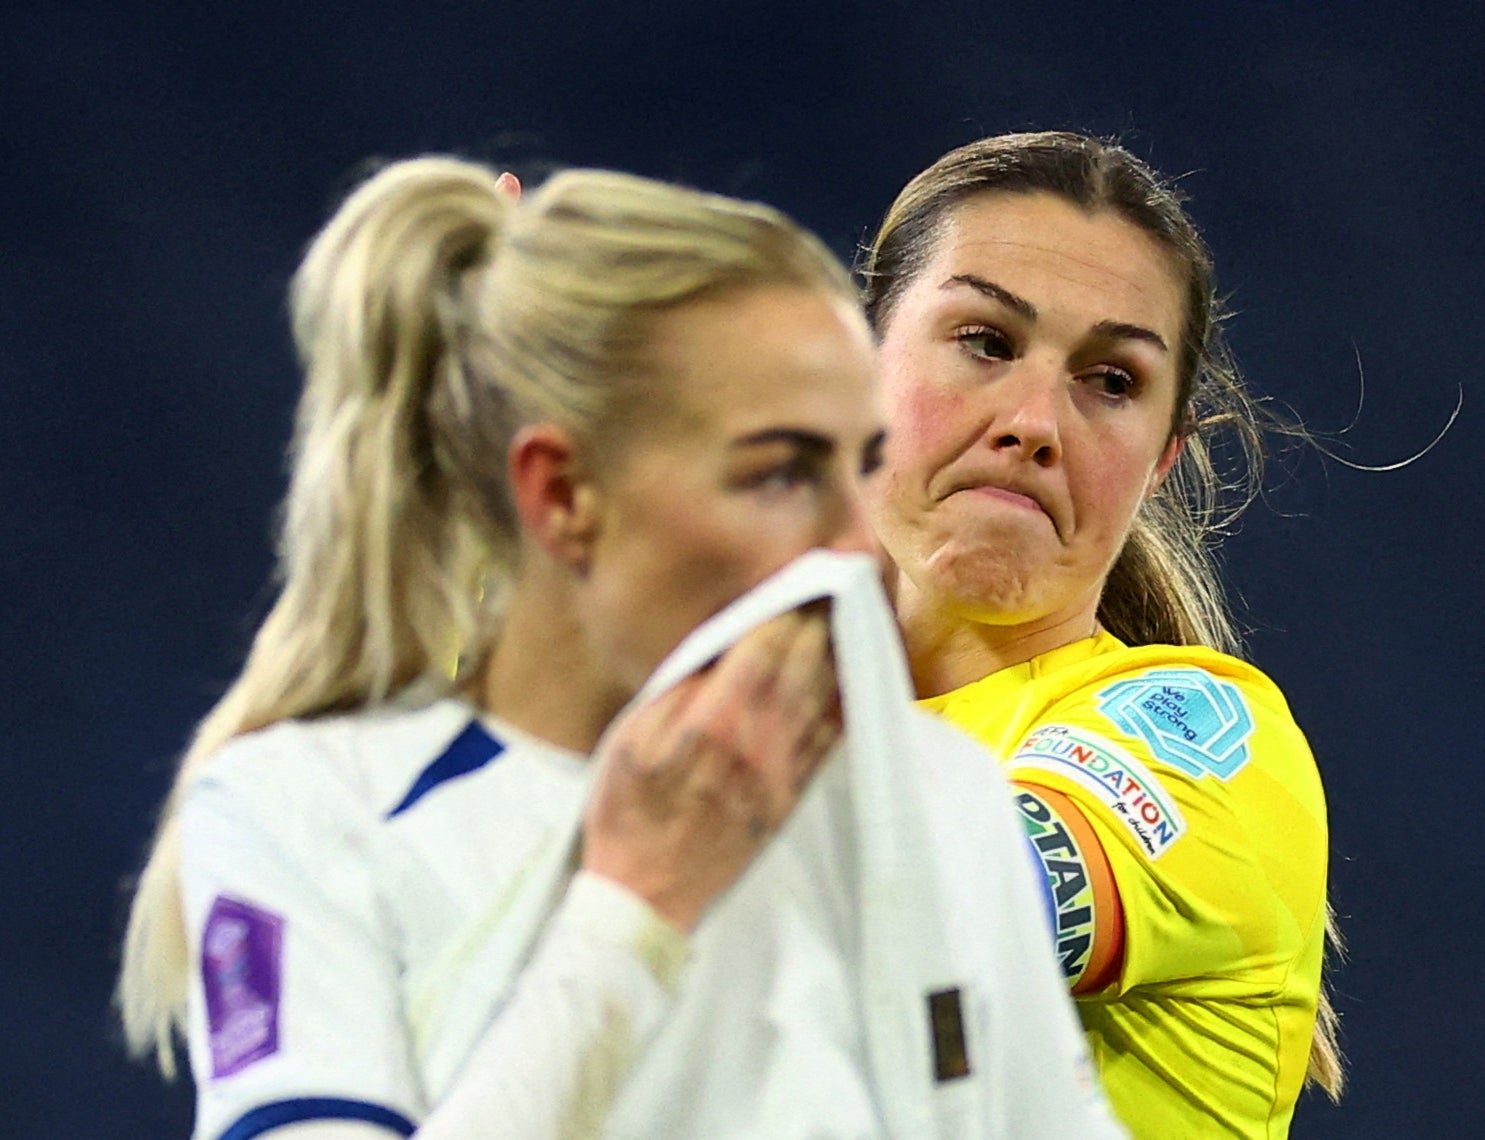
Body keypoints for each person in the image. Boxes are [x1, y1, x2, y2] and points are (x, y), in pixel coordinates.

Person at [118, 156, 1118, 1139]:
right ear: (560, 496)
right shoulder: (304, 806)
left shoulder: (939, 797)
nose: (857, 547)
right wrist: (632, 912)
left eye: (862, 464)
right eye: (778, 473)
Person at [860, 131, 1344, 1137]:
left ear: (1161, 461)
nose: (1033, 418)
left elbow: (949, 911)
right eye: (985, 342)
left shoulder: (1206, 744)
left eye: (1109, 381)